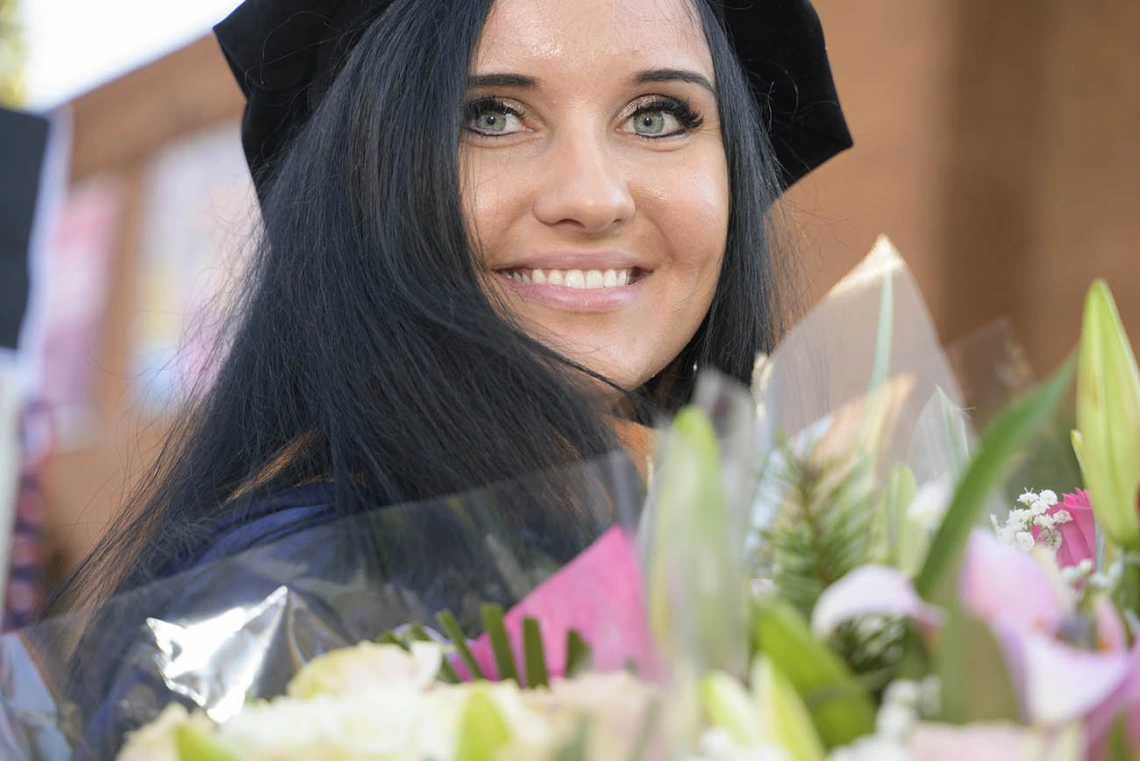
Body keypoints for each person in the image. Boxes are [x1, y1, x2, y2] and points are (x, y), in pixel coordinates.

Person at [39, 0, 851, 756]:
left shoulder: (790, 567)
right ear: (358, 181)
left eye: (658, 116)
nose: (594, 197)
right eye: (490, 116)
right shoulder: (270, 621)